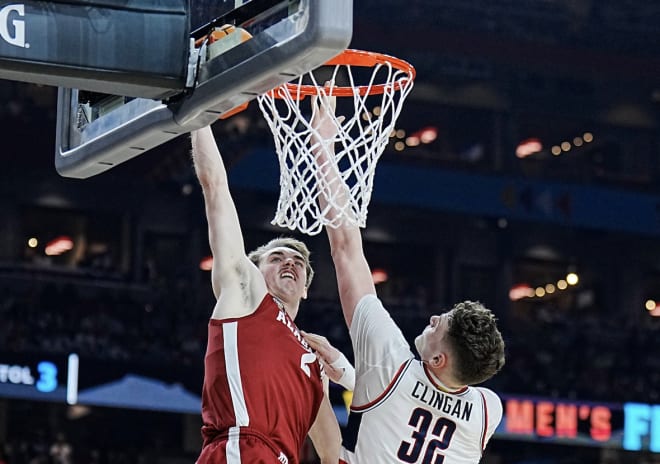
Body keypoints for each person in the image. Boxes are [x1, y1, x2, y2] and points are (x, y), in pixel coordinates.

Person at [303, 94, 506, 463]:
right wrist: (352, 375)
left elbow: (346, 247)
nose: (431, 319)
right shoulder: (487, 411)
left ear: (440, 359)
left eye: (438, 326)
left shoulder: (388, 358)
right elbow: (406, 411)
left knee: (311, 391)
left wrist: (322, 146)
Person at [191, 125, 341, 464]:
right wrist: (199, 118)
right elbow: (215, 188)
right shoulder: (247, 294)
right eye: (277, 258)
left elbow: (333, 453)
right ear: (255, 271)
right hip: (240, 447)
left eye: (298, 261)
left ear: (306, 289)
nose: (290, 262)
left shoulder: (314, 363)